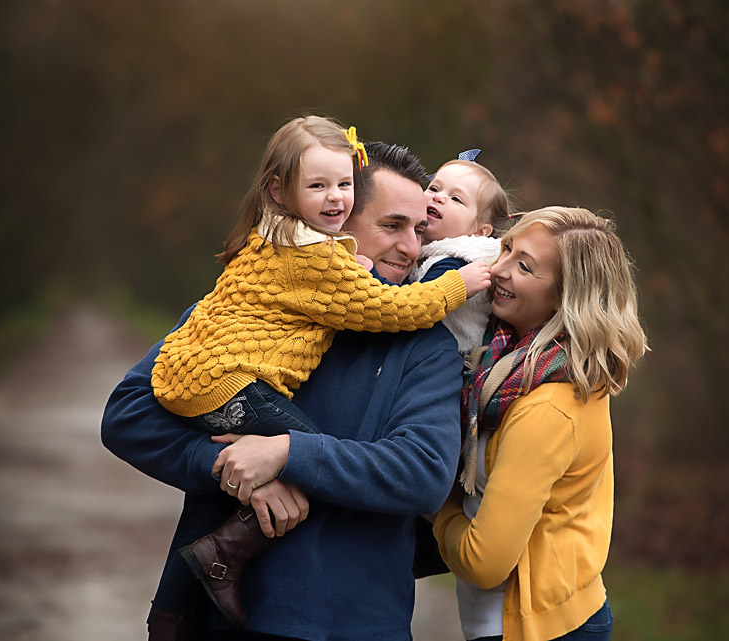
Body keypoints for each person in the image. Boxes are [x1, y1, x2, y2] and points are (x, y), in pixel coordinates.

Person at [102, 141, 468, 641]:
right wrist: (226, 467)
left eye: (419, 229)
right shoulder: (243, 313)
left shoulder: (426, 347)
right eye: (392, 226)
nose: (411, 246)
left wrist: (286, 453)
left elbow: (422, 472)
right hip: (228, 621)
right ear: (333, 222)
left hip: (357, 625)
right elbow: (127, 415)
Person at [432, 207, 648, 641]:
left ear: (566, 297)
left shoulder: (548, 403)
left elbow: (484, 562)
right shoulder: (508, 364)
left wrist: (430, 504)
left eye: (525, 266)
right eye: (506, 248)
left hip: (539, 628)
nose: (497, 269)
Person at [410, 154, 513, 354]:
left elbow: (418, 303)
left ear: (479, 231)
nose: (438, 197)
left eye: (456, 199)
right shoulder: (428, 248)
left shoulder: (458, 260)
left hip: (446, 355)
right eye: (434, 188)